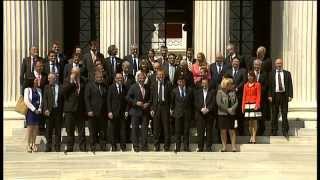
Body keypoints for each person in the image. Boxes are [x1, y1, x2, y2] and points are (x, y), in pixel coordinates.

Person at [62, 67, 86, 153]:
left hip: (80, 109)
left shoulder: (83, 81)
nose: (76, 74)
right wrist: (71, 82)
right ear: (71, 72)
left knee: (81, 129)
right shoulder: (67, 80)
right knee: (70, 129)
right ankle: (70, 147)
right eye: (74, 73)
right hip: (70, 109)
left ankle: (82, 146)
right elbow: (64, 92)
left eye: (77, 73)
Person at [126, 72, 151, 152]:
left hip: (144, 112)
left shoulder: (147, 87)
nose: (142, 80)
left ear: (145, 79)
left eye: (143, 78)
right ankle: (136, 146)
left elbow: (151, 98)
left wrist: (148, 103)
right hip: (135, 111)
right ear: (137, 79)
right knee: (135, 129)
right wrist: (136, 102)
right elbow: (128, 97)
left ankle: (144, 145)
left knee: (144, 129)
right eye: (140, 78)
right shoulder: (133, 87)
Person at [268, 58, 293, 138]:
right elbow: (269, 86)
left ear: (282, 64)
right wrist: (269, 95)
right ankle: (274, 131)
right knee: (274, 114)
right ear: (275, 65)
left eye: (280, 63)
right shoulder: (271, 73)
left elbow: (290, 85)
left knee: (284, 114)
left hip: (284, 95)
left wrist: (290, 95)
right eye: (277, 63)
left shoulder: (287, 73)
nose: (279, 65)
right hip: (274, 96)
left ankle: (285, 131)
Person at [84, 71, 108, 153]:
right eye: (99, 77)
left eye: (101, 77)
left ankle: (102, 145)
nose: (100, 79)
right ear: (95, 77)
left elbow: (106, 99)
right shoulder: (89, 85)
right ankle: (93, 146)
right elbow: (86, 99)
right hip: (92, 112)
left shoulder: (104, 86)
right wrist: (89, 110)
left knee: (102, 130)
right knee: (93, 131)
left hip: (102, 112)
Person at [150, 69, 172, 151]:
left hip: (165, 107)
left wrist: (171, 108)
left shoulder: (168, 84)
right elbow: (151, 98)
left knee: (166, 127)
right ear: (157, 76)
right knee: (156, 127)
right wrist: (151, 109)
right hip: (156, 107)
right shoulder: (153, 85)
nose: (161, 76)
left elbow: (171, 97)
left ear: (164, 76)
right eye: (159, 75)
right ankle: (156, 145)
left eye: (162, 75)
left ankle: (167, 146)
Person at [225, 57, 247, 135]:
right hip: (229, 97)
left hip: (239, 96)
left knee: (240, 115)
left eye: (237, 62)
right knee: (231, 115)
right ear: (232, 63)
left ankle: (241, 132)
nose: (235, 63)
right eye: (234, 62)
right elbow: (225, 81)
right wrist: (230, 88)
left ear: (239, 63)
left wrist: (237, 88)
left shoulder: (243, 71)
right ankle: (231, 133)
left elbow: (244, 81)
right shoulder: (228, 71)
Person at [171, 76, 193, 152]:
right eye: (180, 81)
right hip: (177, 113)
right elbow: (172, 103)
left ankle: (186, 147)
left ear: (185, 82)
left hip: (187, 113)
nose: (181, 83)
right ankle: (177, 147)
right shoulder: (174, 91)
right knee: (178, 131)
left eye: (183, 81)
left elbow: (191, 102)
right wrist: (172, 111)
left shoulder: (189, 90)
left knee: (186, 131)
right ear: (177, 82)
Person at [107, 73, 129, 152]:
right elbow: (108, 100)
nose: (120, 80)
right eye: (118, 78)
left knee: (122, 130)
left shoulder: (124, 88)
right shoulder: (111, 87)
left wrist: (126, 110)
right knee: (113, 130)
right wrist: (109, 111)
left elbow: (127, 101)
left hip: (122, 113)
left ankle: (123, 146)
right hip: (113, 112)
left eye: (121, 78)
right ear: (115, 79)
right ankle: (113, 146)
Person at [43, 73, 63, 152]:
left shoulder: (60, 87)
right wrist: (45, 109)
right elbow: (45, 100)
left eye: (52, 78)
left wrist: (63, 111)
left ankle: (57, 147)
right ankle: (48, 147)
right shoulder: (46, 87)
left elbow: (63, 100)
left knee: (58, 130)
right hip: (49, 112)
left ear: (55, 79)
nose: (50, 80)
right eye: (49, 78)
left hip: (58, 111)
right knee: (48, 131)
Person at [216, 77, 238, 152]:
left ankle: (233, 147)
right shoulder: (219, 92)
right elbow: (219, 103)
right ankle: (224, 147)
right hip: (222, 114)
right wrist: (227, 109)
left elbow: (236, 102)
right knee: (223, 131)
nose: (231, 85)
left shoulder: (233, 92)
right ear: (226, 85)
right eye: (229, 84)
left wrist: (232, 108)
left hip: (231, 114)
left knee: (232, 130)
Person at [194, 78, 215, 152]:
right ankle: (200, 147)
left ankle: (209, 147)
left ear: (208, 84)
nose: (204, 85)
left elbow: (213, 103)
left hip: (209, 114)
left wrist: (208, 109)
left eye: (206, 83)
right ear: (201, 84)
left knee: (209, 131)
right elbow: (195, 103)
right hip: (200, 114)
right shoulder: (197, 92)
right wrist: (201, 109)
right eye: (203, 83)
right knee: (200, 131)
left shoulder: (212, 92)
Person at [242, 71, 261, 144]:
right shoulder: (245, 85)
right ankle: (251, 135)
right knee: (249, 123)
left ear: (253, 77)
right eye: (248, 76)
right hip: (247, 104)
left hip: (254, 104)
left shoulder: (257, 84)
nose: (249, 77)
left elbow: (259, 95)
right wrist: (242, 106)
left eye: (251, 76)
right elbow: (244, 96)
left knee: (254, 122)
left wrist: (257, 104)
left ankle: (254, 137)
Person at [24, 78, 42, 153]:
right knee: (30, 128)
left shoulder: (39, 90)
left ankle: (34, 144)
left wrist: (40, 109)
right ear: (32, 82)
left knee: (36, 128)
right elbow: (26, 101)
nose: (37, 81)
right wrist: (34, 109)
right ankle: (28, 145)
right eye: (35, 80)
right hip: (31, 111)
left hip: (37, 111)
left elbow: (41, 100)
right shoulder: (27, 89)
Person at [253, 59, 269, 135]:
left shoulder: (265, 74)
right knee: (253, 116)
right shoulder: (250, 73)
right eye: (256, 65)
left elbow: (266, 86)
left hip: (262, 98)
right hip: (252, 99)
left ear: (261, 66)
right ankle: (253, 132)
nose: (257, 66)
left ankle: (261, 131)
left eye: (258, 65)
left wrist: (258, 90)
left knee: (261, 116)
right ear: (253, 65)